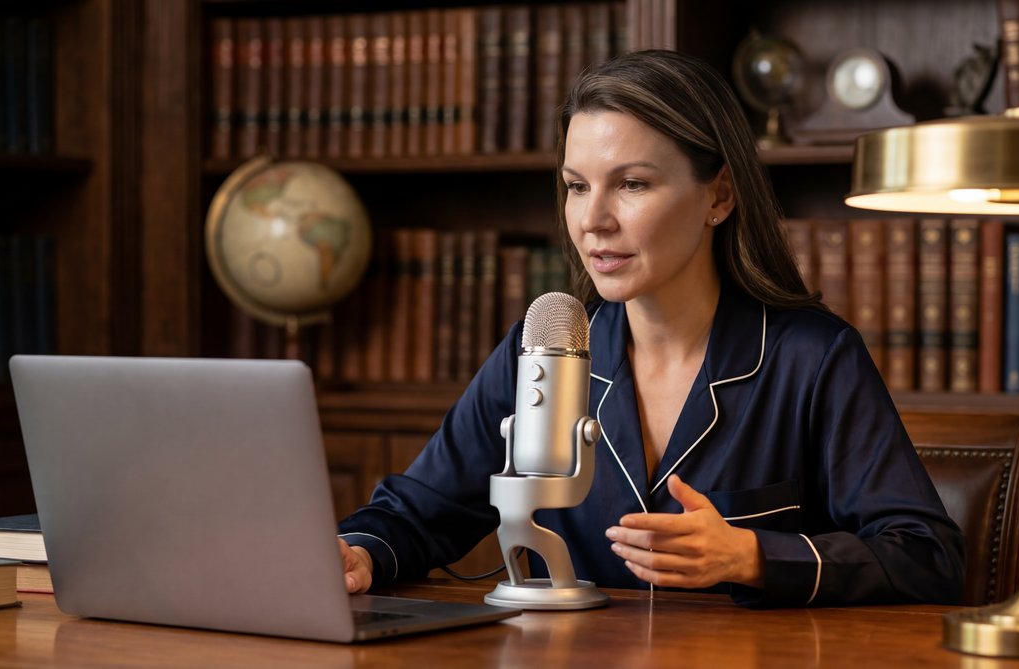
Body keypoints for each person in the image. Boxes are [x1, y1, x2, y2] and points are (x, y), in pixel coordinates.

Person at [337, 49, 965, 607]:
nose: (594, 220)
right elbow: (418, 512)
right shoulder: (541, 350)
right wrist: (358, 554)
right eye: (577, 187)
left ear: (719, 196)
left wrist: (752, 556)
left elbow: (926, 556)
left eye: (632, 184)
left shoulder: (812, 358)